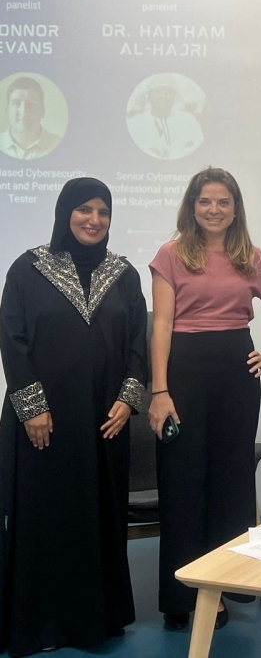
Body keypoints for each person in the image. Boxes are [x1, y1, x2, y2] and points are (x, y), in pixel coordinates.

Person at [0, 178, 147, 656]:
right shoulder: (29, 268)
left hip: (105, 423)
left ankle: (96, 618)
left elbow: (136, 348)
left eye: (103, 212)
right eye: (84, 209)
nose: (94, 220)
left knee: (99, 515)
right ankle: (41, 622)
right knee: (45, 518)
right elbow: (13, 339)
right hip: (43, 425)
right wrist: (32, 408)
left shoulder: (124, 275)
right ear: (66, 213)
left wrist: (128, 400)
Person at [148, 167, 261, 630]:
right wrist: (160, 390)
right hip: (183, 373)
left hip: (235, 372)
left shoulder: (251, 256)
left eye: (223, 202)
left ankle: (222, 587)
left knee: (229, 482)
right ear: (192, 207)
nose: (213, 210)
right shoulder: (170, 255)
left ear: (235, 209)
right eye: (205, 202)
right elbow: (163, 325)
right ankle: (179, 595)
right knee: (182, 482)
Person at [126, 73, 204, 160]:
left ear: (174, 97)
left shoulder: (188, 120)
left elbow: (201, 149)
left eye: (168, 93)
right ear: (148, 96)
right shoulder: (136, 123)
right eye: (158, 92)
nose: (163, 96)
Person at [0, 76, 63, 160]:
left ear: (43, 110)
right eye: (16, 103)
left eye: (31, 104)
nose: (24, 111)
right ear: (7, 110)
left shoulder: (58, 144)